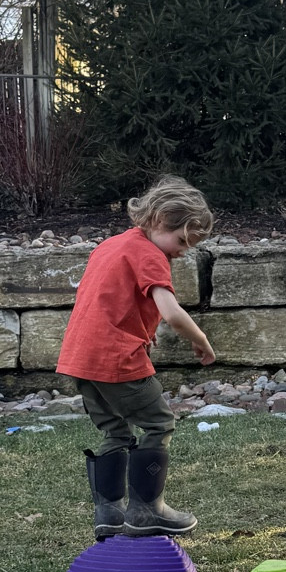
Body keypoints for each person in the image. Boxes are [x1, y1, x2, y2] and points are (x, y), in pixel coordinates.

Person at [57, 176, 216, 537]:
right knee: (159, 424)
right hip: (115, 359)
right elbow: (172, 312)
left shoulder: (111, 246)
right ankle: (147, 511)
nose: (183, 251)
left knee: (115, 431)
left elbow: (108, 301)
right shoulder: (150, 254)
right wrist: (202, 340)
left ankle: (109, 513)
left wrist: (140, 332)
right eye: (181, 241)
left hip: (80, 358)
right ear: (159, 220)